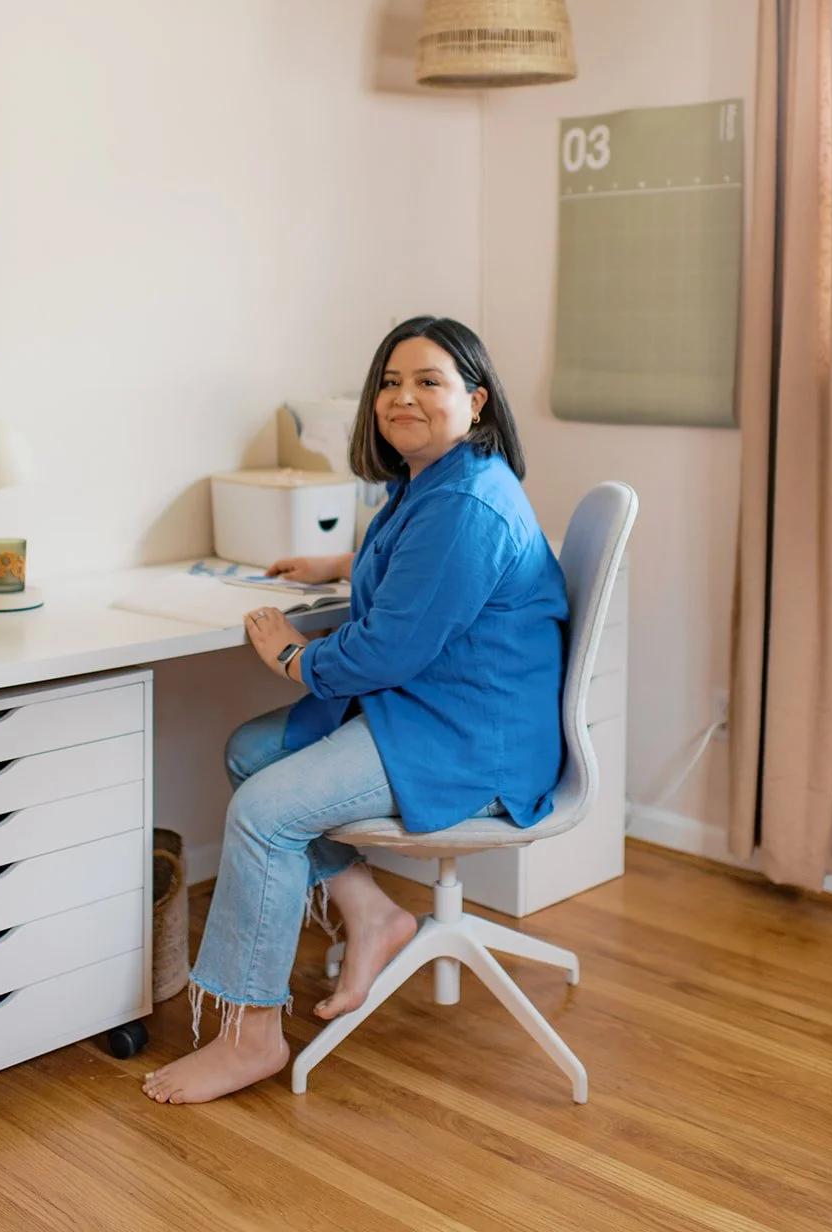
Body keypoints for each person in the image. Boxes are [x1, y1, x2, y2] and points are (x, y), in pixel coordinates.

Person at [143, 316, 568, 1104]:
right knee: (251, 750)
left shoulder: (469, 503)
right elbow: (416, 564)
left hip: (472, 738)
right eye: (390, 382)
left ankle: (250, 1040)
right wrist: (337, 563)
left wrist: (294, 657)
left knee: (265, 811)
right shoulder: (438, 482)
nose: (401, 397)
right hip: (439, 708)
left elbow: (385, 652)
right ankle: (372, 914)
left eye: (428, 382)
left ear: (476, 401)